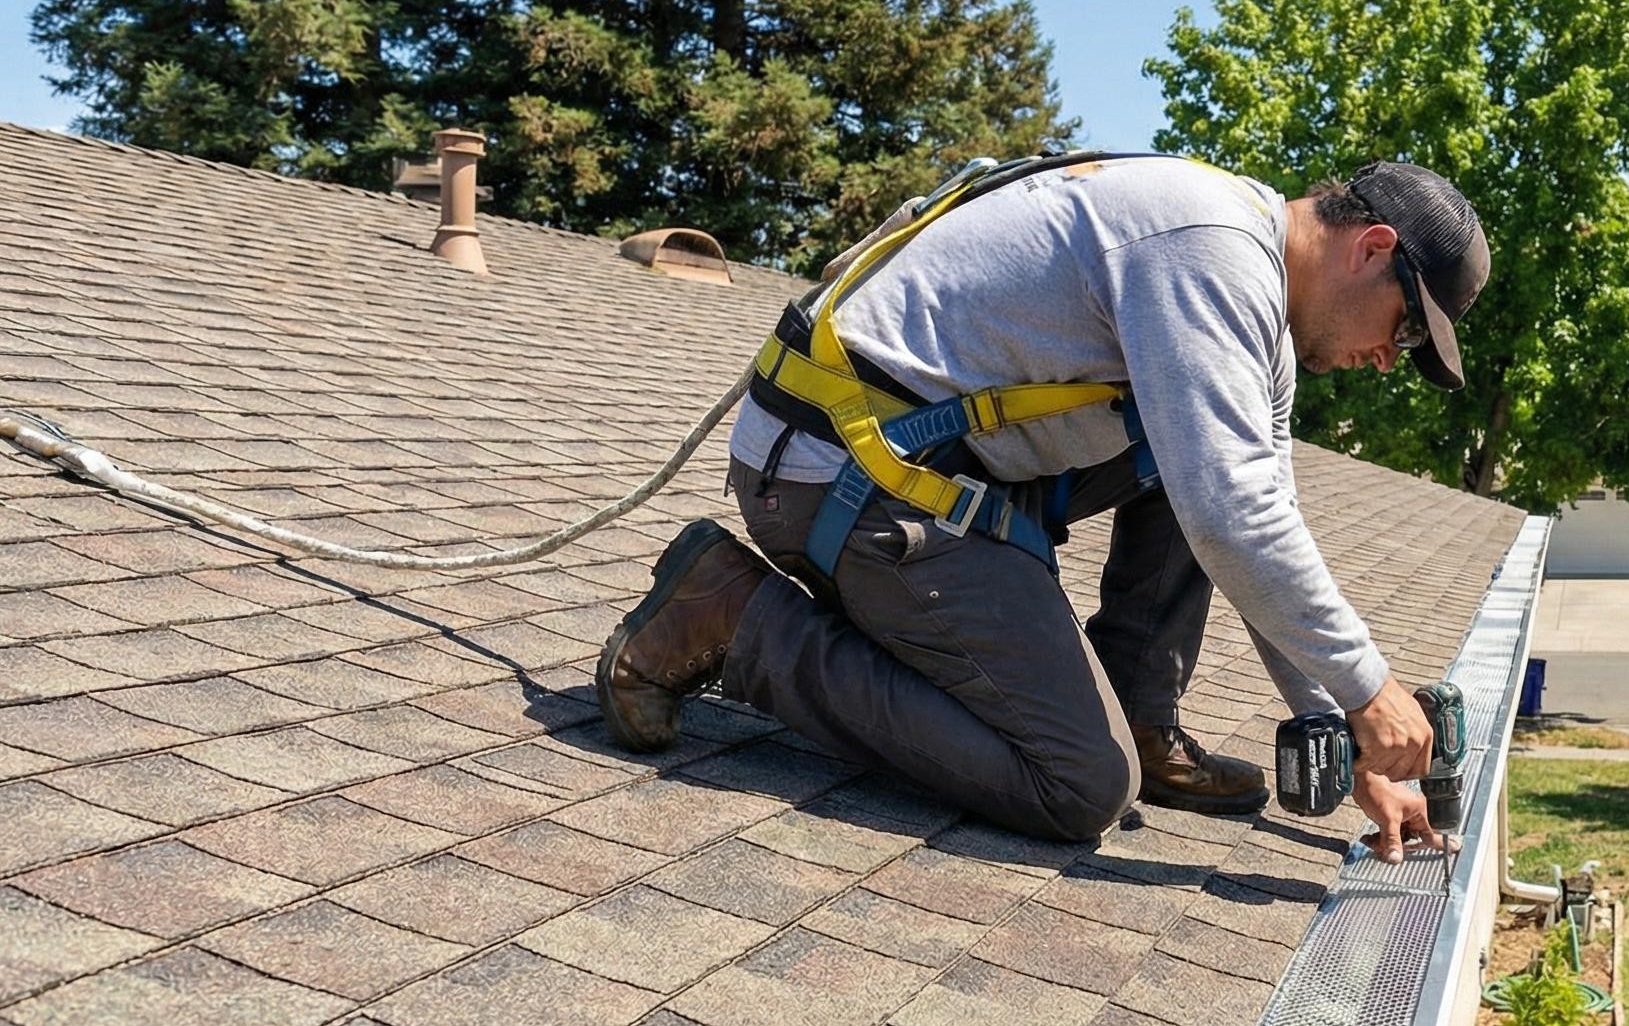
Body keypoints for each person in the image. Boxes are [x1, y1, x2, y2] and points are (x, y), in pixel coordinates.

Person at [594, 153, 1490, 860]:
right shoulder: (1211, 252)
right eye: (1406, 329)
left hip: (919, 462)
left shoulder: (1251, 285)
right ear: (1372, 248)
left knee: (1207, 462)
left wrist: (1334, 719)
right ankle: (738, 619)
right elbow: (1230, 514)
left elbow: (1258, 519)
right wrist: (1371, 690)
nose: (1388, 358)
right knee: (1078, 784)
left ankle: (1143, 714)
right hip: (841, 471)